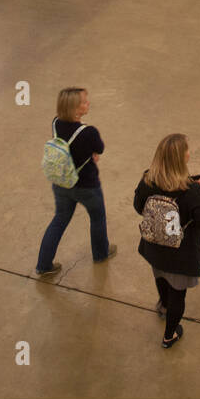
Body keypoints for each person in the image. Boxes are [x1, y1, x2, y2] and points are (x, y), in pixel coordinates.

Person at [133, 134, 200, 349]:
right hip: (181, 255)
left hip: (154, 248)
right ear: (180, 159)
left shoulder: (148, 180)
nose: (189, 153)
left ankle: (164, 306)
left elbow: (138, 206)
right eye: (187, 150)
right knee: (178, 293)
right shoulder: (192, 191)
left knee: (160, 275)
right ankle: (170, 335)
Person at [35, 87, 116, 277]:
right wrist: (92, 153)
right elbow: (100, 148)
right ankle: (100, 253)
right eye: (85, 102)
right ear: (76, 108)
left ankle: (43, 264)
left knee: (59, 220)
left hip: (61, 183)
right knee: (97, 217)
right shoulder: (88, 132)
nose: (88, 103)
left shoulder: (55, 123)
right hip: (86, 186)